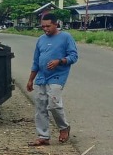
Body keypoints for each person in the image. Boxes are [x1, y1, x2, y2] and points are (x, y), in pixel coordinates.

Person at [26, 14, 79, 145]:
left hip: (57, 76)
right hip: (41, 77)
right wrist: (30, 79)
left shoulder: (66, 37)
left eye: (48, 26)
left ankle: (63, 127)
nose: (45, 29)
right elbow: (36, 61)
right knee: (40, 107)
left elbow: (74, 56)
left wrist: (59, 61)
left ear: (56, 24)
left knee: (54, 104)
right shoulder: (40, 40)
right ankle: (43, 136)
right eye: (43, 26)